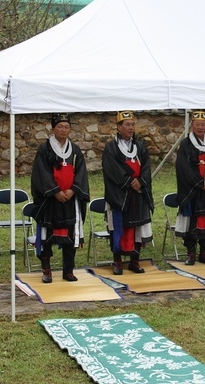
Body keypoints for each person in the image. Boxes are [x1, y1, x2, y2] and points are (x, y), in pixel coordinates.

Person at [30, 113, 90, 283]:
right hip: (50, 200)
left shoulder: (75, 150)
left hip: (70, 200)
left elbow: (81, 172)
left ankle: (68, 271)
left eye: (66, 127)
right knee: (46, 235)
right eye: (60, 127)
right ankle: (47, 270)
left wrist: (72, 190)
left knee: (70, 235)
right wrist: (55, 191)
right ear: (53, 128)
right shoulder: (45, 149)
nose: (64, 130)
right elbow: (41, 173)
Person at [102, 111, 154, 275]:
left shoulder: (139, 146)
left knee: (137, 226)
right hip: (120, 194)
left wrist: (141, 182)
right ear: (119, 127)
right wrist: (129, 181)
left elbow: (146, 166)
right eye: (127, 125)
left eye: (133, 124)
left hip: (137, 193)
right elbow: (111, 169)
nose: (131, 128)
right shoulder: (111, 147)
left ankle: (134, 261)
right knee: (118, 226)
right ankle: (117, 261)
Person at [175, 110, 205, 265]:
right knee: (192, 220)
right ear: (192, 126)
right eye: (197, 124)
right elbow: (183, 168)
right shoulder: (185, 144)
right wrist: (199, 183)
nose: (200, 127)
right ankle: (190, 253)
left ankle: (204, 252)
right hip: (193, 189)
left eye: (203, 124)